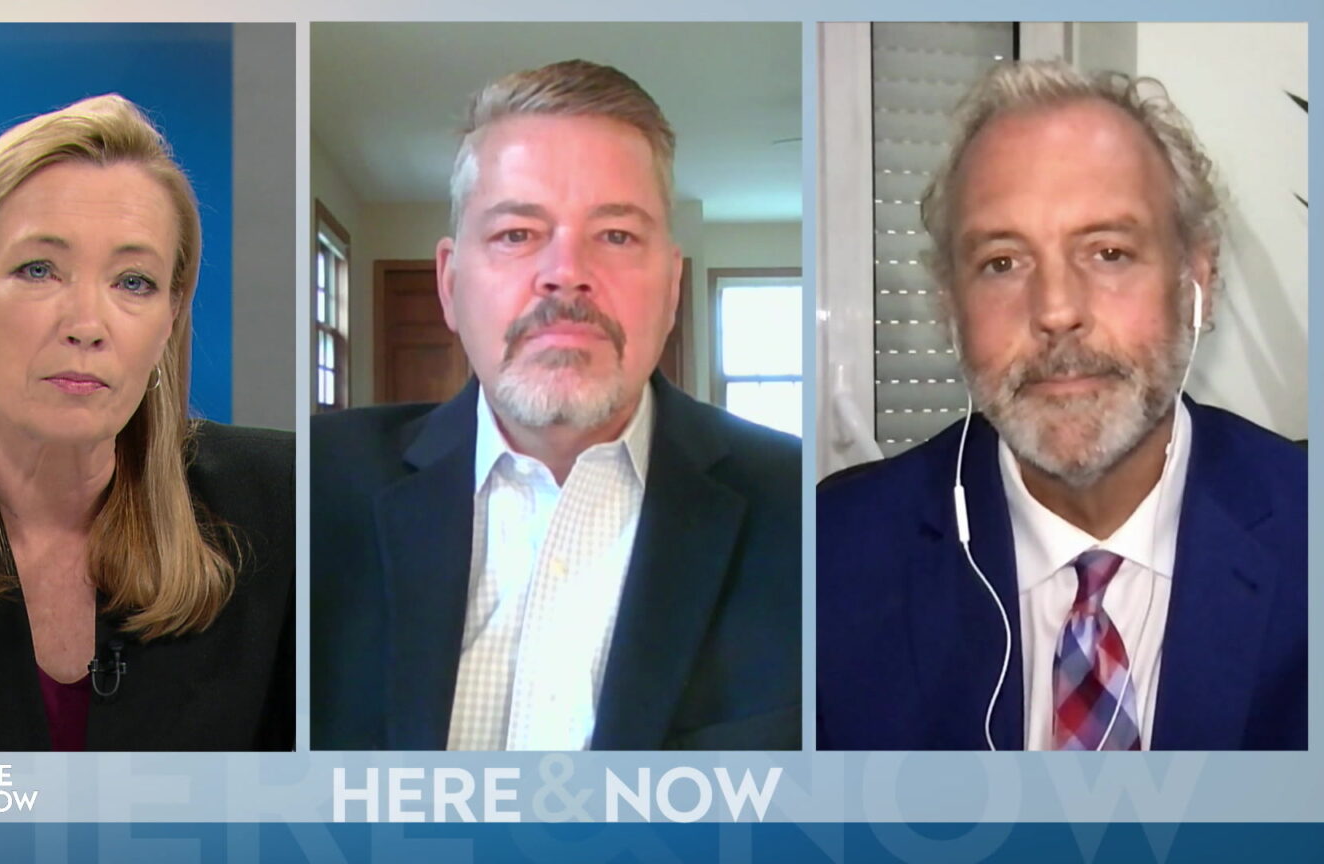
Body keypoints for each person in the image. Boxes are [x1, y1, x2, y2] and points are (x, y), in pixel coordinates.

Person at [311, 60, 801, 751]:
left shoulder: (806, 509)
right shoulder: (309, 491)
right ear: (450, 285)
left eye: (617, 235)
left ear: (671, 287)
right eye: (517, 233)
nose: (566, 272)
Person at [817, 61, 1305, 750]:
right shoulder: (828, 565)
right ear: (949, 307)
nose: (1055, 311)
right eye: (1002, 263)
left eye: (1108, 252)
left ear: (1197, 278)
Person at [0, 95, 294, 751]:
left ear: (170, 319)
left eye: (133, 281)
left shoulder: (286, 509)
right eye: (40, 269)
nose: (86, 326)